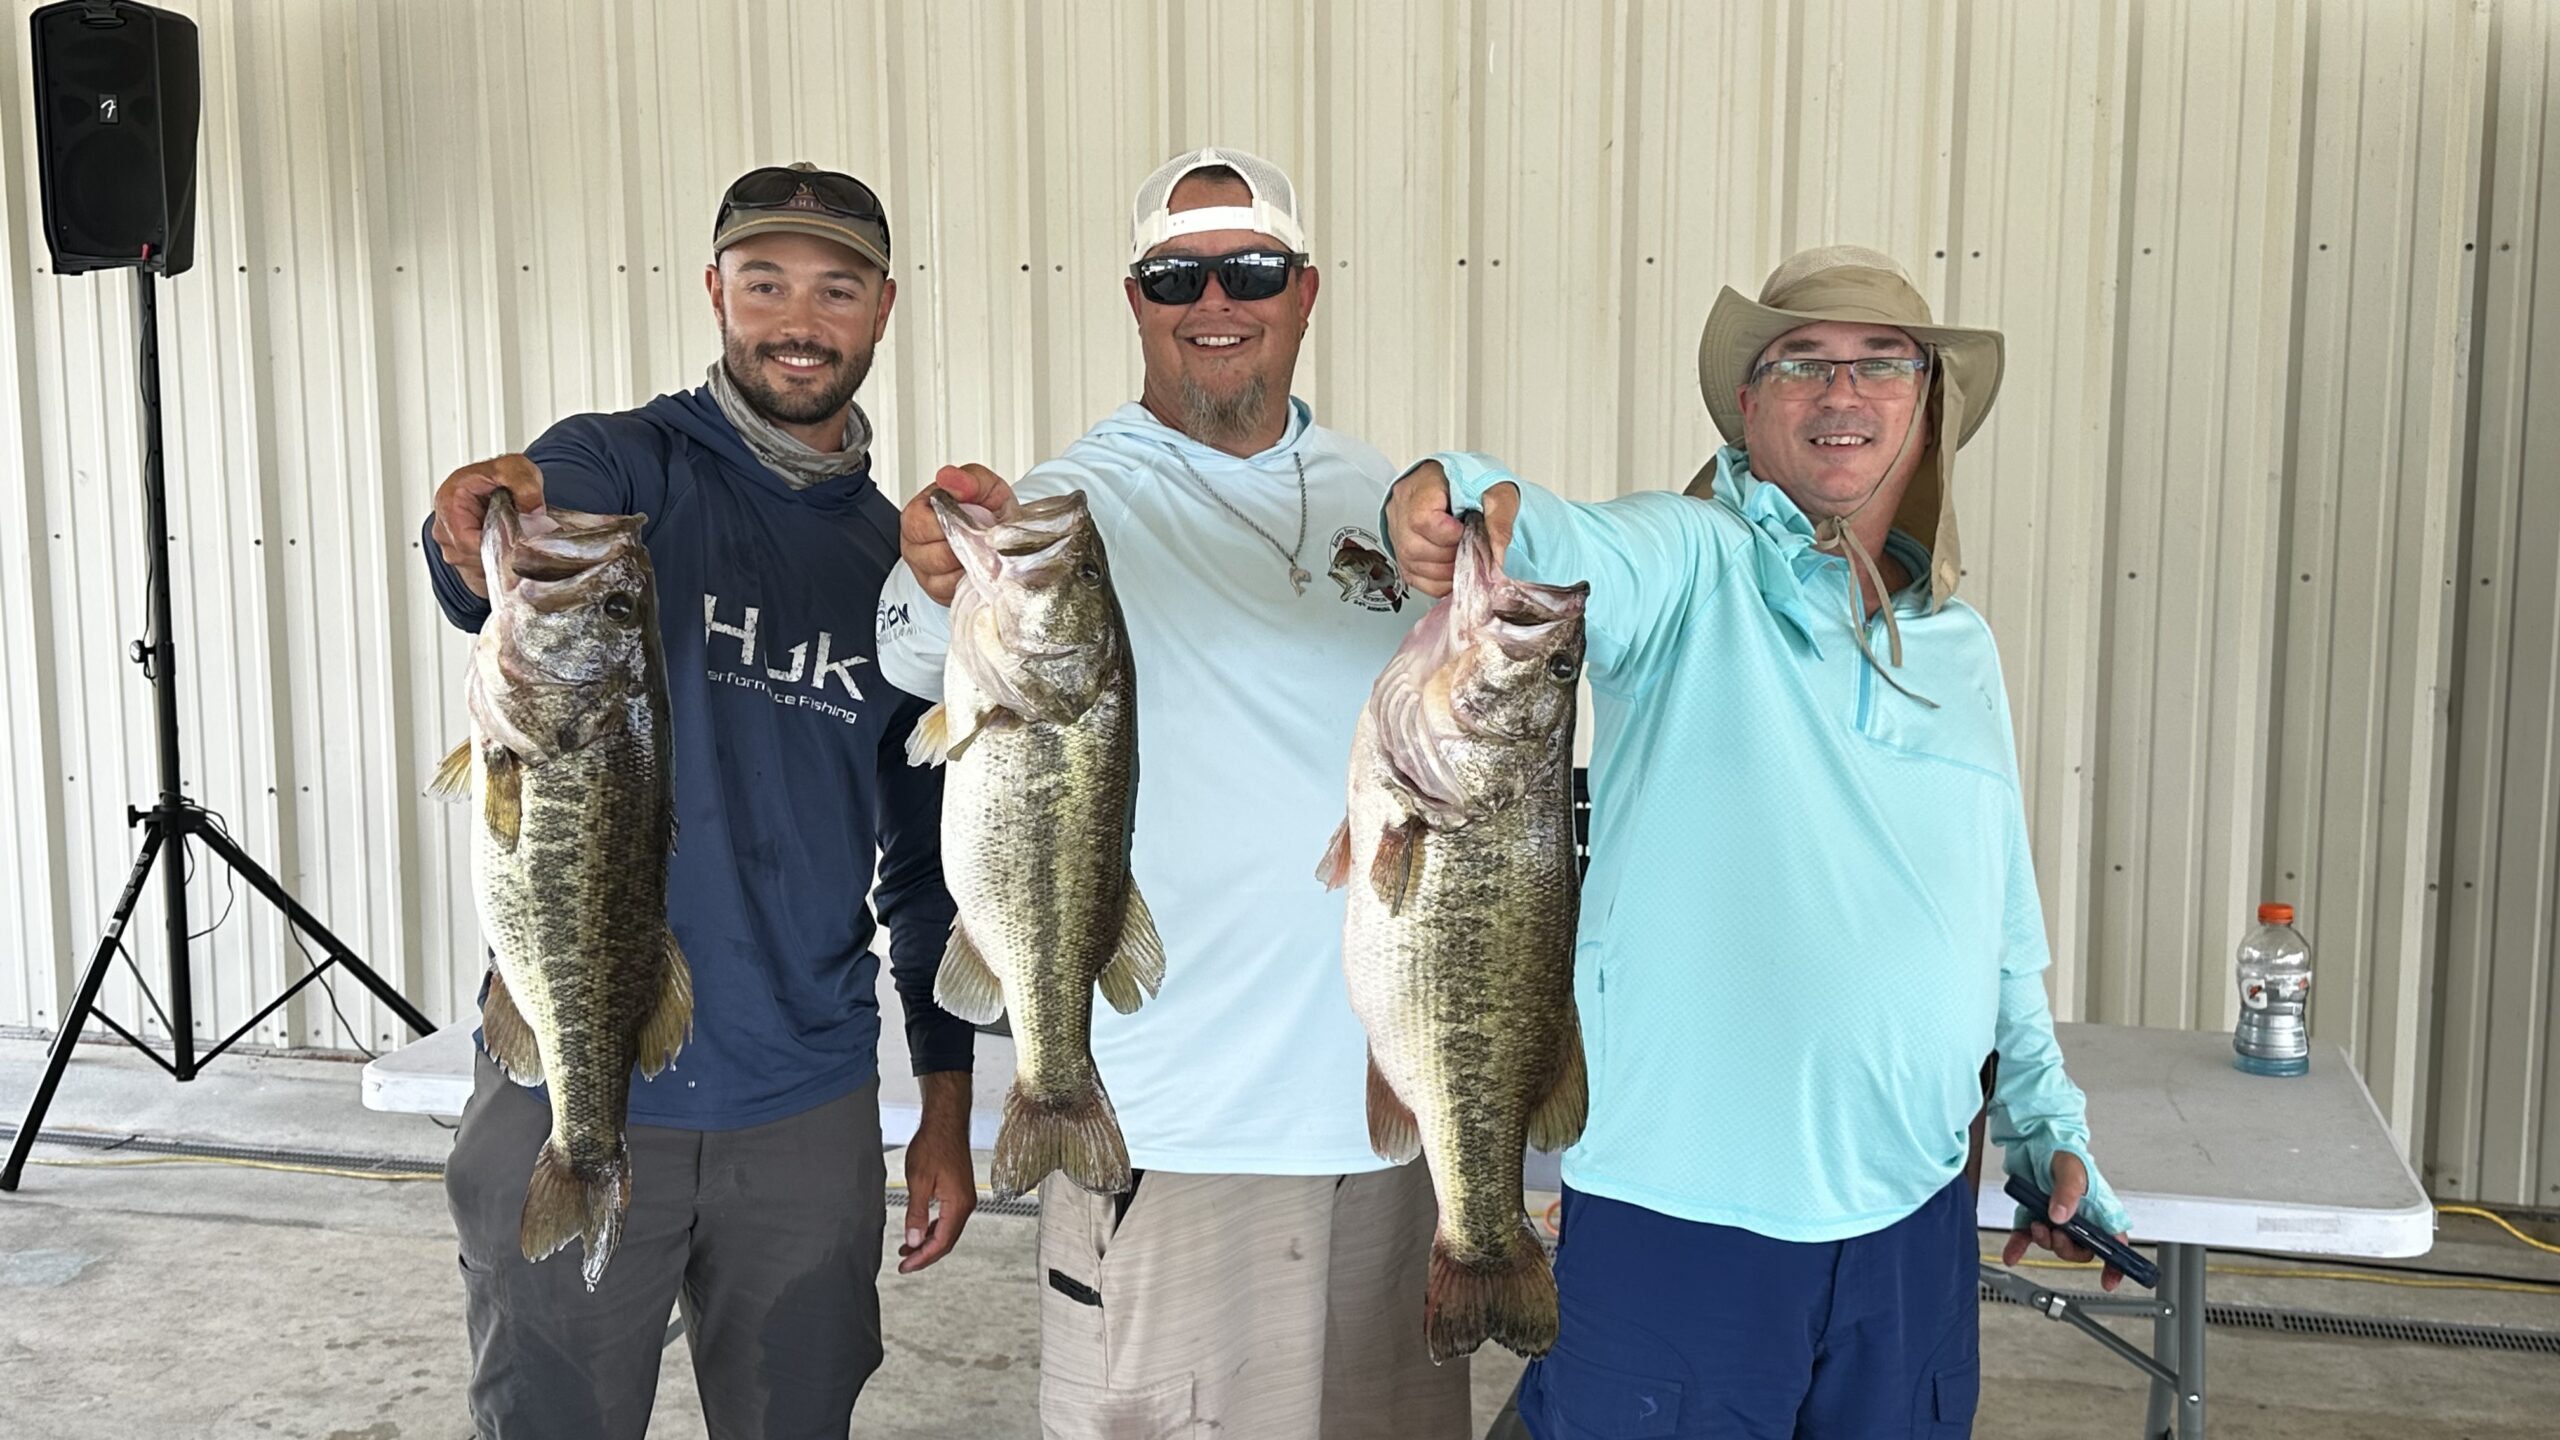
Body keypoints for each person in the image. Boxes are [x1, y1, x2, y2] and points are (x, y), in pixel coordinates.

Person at [1386, 245, 2130, 1438]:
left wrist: (2045, 1126)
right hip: (1681, 1225)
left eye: (1880, 363)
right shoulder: (1693, 564)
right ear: (1748, 404)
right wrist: (1452, 501)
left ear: (1928, 405)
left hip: (1913, 1224)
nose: (1842, 393)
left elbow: (1994, 921)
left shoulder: (1961, 648)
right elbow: (1564, 544)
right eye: (1801, 363)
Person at [875, 146, 1471, 1439]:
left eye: (1248, 270)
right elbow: (917, 659)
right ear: (1134, 301)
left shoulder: (1377, 492)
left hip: (1384, 1119)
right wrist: (930, 572)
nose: (1214, 300)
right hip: (1172, 1128)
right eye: (1174, 276)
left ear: (1303, 291)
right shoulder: (1072, 504)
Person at [420, 162, 976, 1440]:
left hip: (805, 1106)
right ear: (716, 291)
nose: (798, 321)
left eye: (835, 289)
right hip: (566, 1080)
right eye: (765, 284)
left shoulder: (896, 566)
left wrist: (943, 1104)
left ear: (883, 308)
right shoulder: (628, 463)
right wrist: (475, 524)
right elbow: (507, 530)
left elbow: (924, 867)